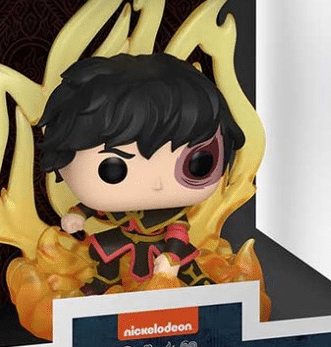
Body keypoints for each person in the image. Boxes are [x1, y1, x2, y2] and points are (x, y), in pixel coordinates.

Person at [38, 52, 245, 294]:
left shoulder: (172, 212)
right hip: (127, 237)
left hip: (162, 244)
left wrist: (172, 257)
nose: (157, 184)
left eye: (197, 164)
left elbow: (178, 233)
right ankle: (105, 280)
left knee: (186, 264)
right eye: (113, 169)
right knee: (103, 249)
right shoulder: (115, 203)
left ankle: (199, 284)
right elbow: (94, 209)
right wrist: (78, 215)